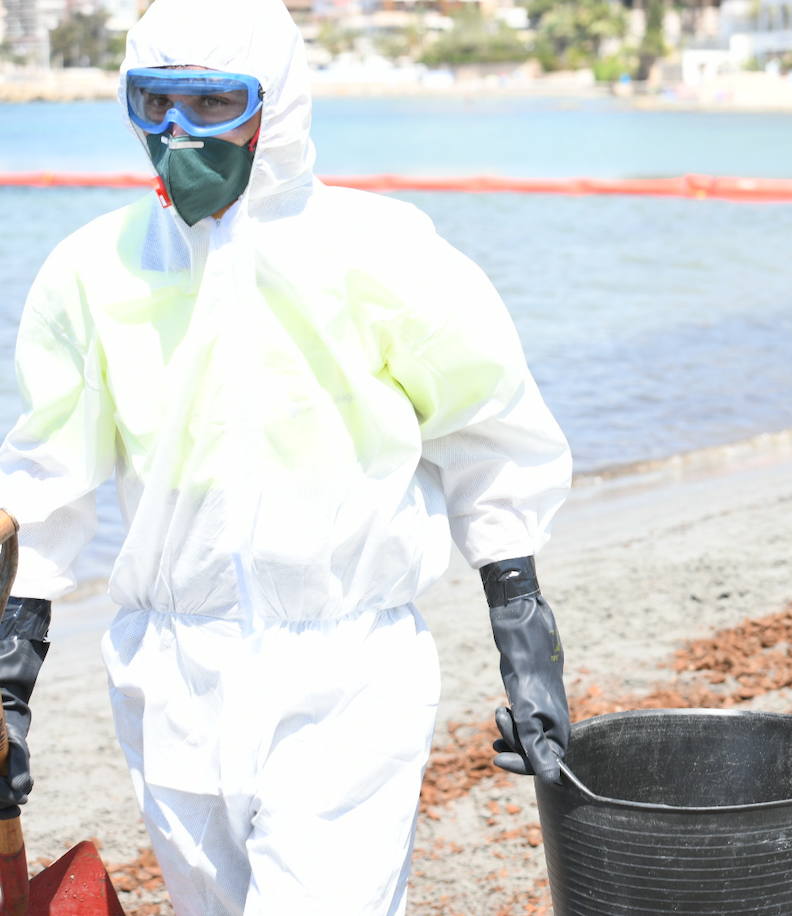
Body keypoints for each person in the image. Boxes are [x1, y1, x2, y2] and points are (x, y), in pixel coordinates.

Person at [0, 0, 572, 912]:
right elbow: (46, 481)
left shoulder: (381, 255)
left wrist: (524, 635)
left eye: (213, 104)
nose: (178, 134)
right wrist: (11, 679)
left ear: (280, 106)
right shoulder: (92, 272)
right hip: (168, 678)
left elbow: (491, 434)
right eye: (154, 103)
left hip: (344, 677)